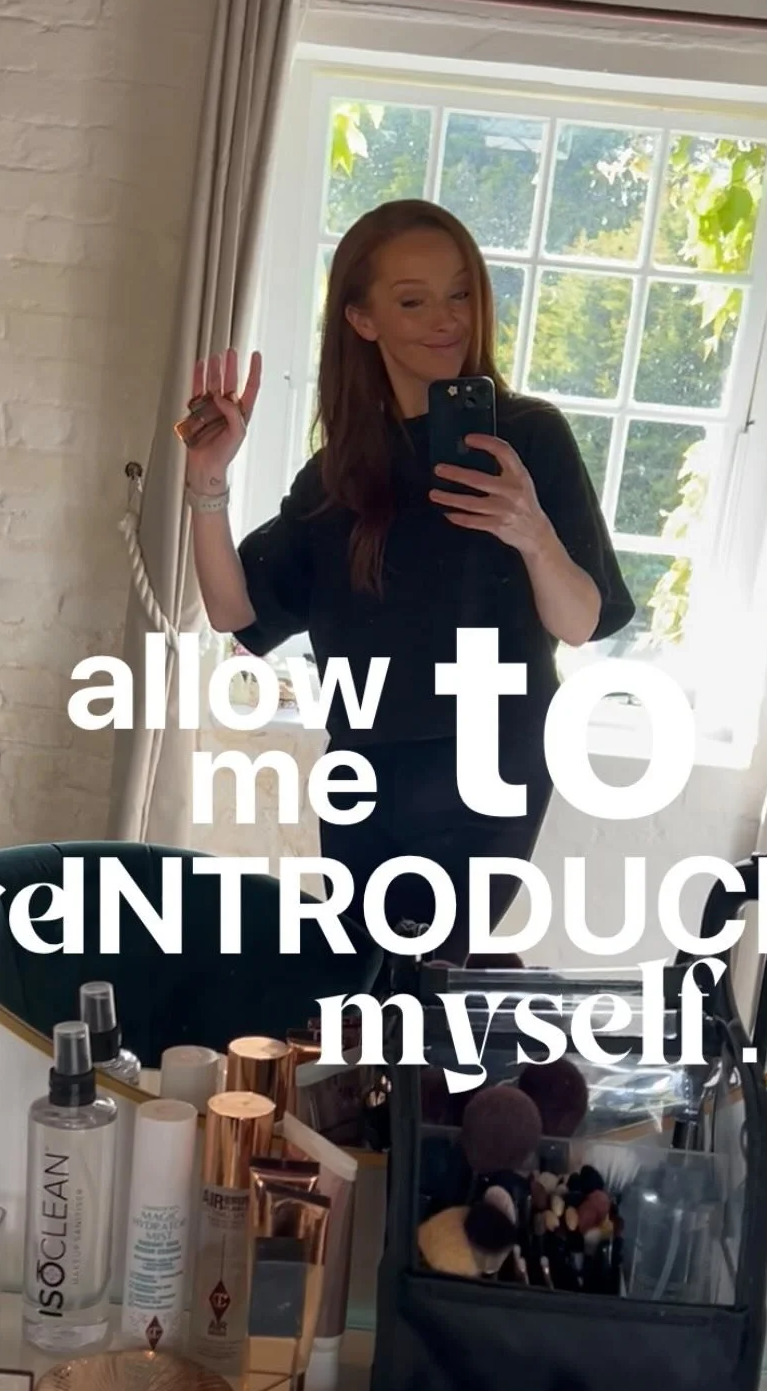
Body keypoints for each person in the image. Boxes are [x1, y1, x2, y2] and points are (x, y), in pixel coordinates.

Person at [180, 198, 634, 961]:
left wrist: (531, 529)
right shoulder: (340, 472)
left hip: (491, 761)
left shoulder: (530, 438)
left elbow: (581, 621)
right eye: (413, 301)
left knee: (430, 971)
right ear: (363, 320)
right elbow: (235, 612)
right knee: (361, 981)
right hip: (364, 768)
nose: (447, 318)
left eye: (460, 293)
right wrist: (207, 478)